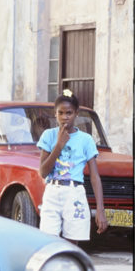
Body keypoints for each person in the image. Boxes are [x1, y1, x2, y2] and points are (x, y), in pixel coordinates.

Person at [37, 91, 107, 242]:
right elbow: (43, 172)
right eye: (60, 113)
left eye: (69, 113)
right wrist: (59, 145)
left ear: (76, 113)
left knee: (72, 242)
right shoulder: (48, 135)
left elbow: (95, 176)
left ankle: (70, 266)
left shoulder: (86, 140)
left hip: (74, 193)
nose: (65, 117)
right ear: (55, 114)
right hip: (52, 192)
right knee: (48, 241)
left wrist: (100, 209)